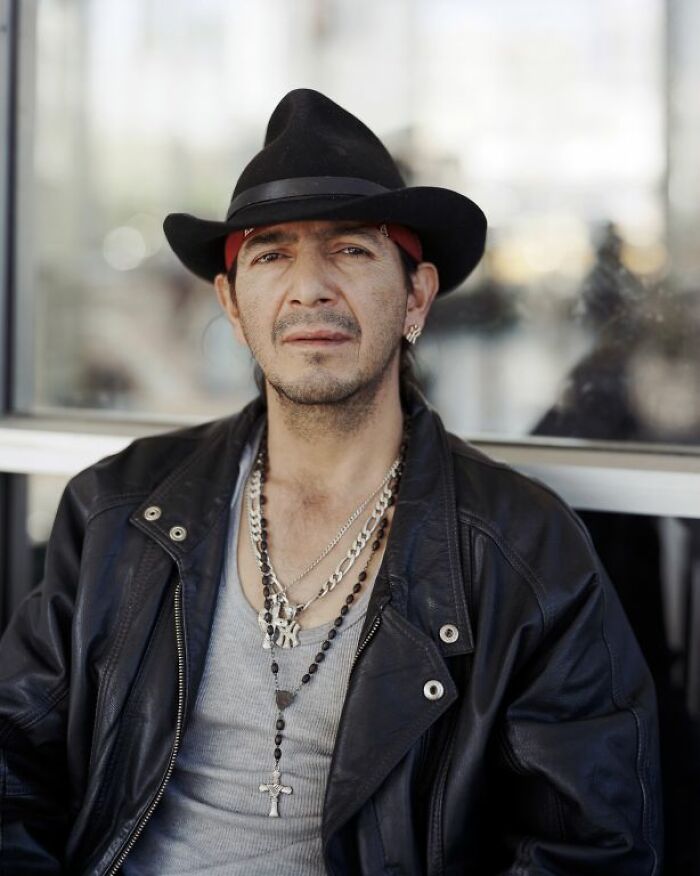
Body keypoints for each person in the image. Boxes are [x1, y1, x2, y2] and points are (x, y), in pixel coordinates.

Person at [0, 88, 662, 875]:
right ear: (234, 306)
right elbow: (13, 764)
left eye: (350, 249)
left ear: (416, 296)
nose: (309, 285)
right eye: (271, 253)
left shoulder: (523, 548)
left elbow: (591, 845)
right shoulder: (117, 508)